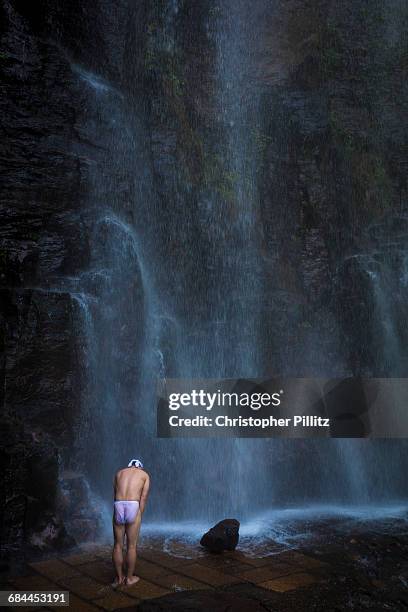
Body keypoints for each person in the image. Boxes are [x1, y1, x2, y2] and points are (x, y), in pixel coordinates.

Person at [112, 459, 150, 586]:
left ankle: (119, 578)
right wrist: (140, 514)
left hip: (118, 505)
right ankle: (129, 578)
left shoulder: (119, 473)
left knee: (118, 545)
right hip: (133, 505)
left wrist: (117, 510)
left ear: (129, 466)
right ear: (140, 467)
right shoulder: (144, 475)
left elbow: (115, 493)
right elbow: (143, 497)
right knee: (131, 546)